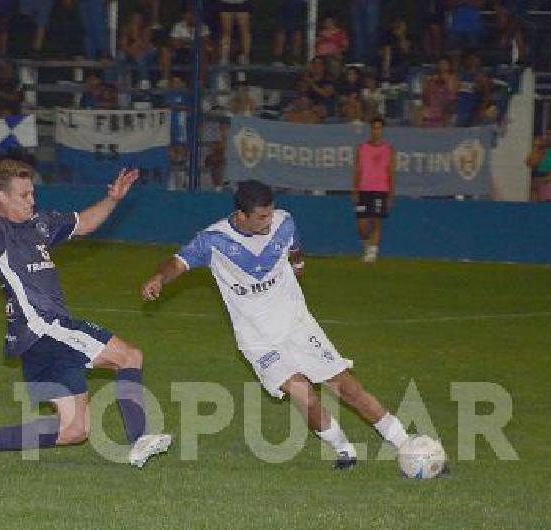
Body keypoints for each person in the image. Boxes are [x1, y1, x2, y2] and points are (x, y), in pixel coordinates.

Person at [140, 179, 413, 469]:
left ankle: (406, 445)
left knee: (346, 388)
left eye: (271, 213)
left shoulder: (284, 222)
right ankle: (344, 450)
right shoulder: (214, 240)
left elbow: (294, 247)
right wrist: (159, 278)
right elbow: (178, 262)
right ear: (241, 216)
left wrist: (297, 265)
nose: (269, 221)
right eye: (261, 217)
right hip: (257, 340)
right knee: (303, 393)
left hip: (297, 325)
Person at [0, 159, 172, 472]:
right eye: (24, 195)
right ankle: (139, 438)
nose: (32, 200)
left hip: (36, 345)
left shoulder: (40, 225)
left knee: (74, 431)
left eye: (32, 193)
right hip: (44, 328)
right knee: (130, 356)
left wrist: (113, 199)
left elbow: (85, 223)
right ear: (2, 197)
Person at [353, 117, 395, 263]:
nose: (376, 131)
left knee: (376, 221)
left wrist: (391, 194)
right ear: (370, 130)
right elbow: (357, 170)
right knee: (361, 223)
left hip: (381, 189)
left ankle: (373, 252)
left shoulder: (388, 149)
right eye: (374, 128)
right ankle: (366, 247)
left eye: (379, 128)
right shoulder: (362, 148)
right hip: (364, 189)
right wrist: (355, 190)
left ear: (382, 130)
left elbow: (391, 171)